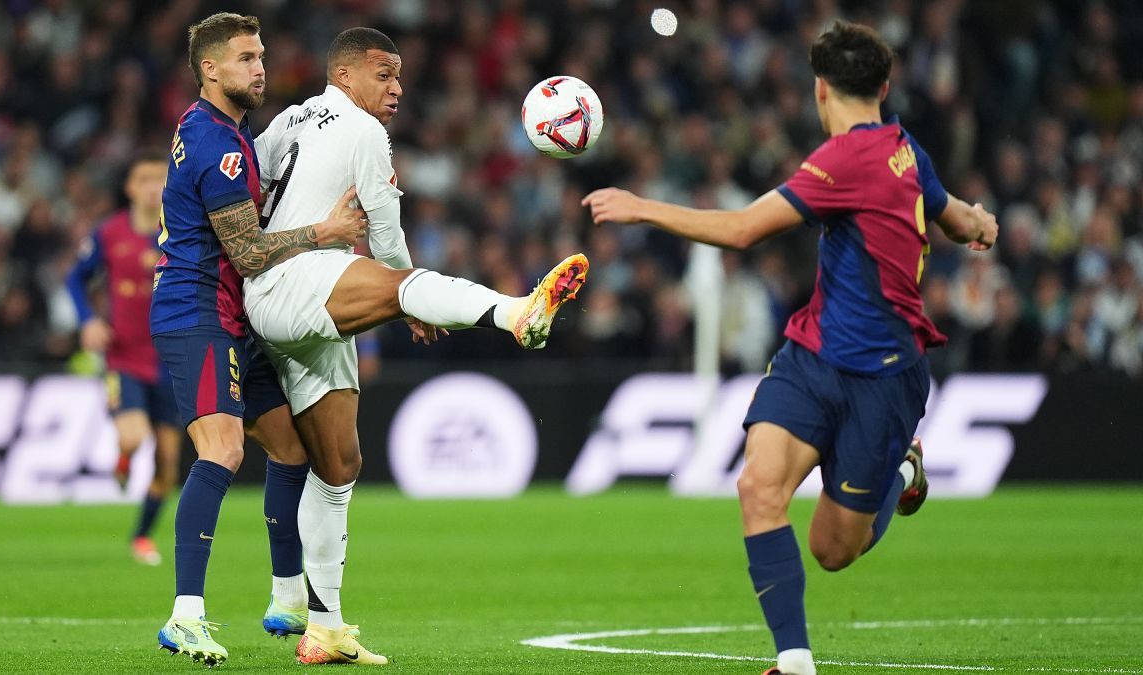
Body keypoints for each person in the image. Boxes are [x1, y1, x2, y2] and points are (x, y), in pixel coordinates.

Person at [582, 20, 999, 675]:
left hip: (884, 381)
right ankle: (794, 658)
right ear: (884, 87)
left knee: (833, 549)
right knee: (757, 486)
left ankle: (901, 470)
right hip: (812, 356)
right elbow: (952, 214)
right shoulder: (904, 149)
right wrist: (980, 221)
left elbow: (746, 229)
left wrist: (644, 207)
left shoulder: (845, 160)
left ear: (819, 90)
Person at [244, 27, 589, 665]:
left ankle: (324, 628)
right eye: (384, 74)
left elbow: (247, 194)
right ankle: (516, 312)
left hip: (290, 294)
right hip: (298, 283)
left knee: (338, 466)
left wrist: (400, 295)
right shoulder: (363, 131)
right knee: (412, 286)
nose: (398, 87)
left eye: (399, 75)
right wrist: (405, 296)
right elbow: (386, 227)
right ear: (344, 77)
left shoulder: (287, 120)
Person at [149, 12, 369, 667]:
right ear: (210, 69)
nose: (259, 68)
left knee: (291, 445)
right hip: (197, 311)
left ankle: (285, 598)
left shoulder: (228, 133)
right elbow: (246, 251)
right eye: (245, 58)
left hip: (233, 316)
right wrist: (323, 233)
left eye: (261, 55)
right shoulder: (216, 143)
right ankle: (184, 614)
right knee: (220, 449)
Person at [65, 149, 182, 567]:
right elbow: (75, 278)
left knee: (168, 464)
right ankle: (123, 457)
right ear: (131, 188)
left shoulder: (180, 230)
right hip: (124, 359)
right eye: (144, 180)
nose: (153, 187)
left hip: (170, 361)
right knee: (133, 437)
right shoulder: (109, 233)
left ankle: (141, 536)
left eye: (159, 180)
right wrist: (87, 321)